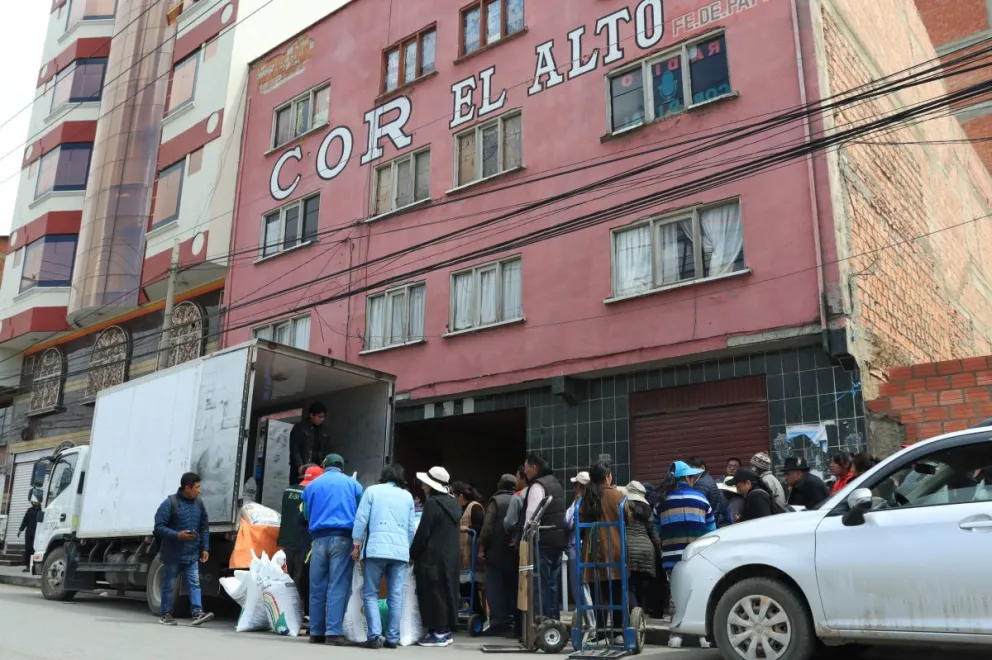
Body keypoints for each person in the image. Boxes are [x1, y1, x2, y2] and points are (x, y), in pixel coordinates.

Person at [352, 464, 416, 649]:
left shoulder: (372, 491)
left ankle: (374, 636)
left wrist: (356, 544)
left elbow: (361, 519)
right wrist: (406, 547)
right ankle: (392, 638)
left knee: (371, 593)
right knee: (395, 595)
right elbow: (411, 529)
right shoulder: (407, 496)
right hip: (400, 554)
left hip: (375, 551)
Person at [302, 454, 363, 646]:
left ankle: (316, 632)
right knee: (337, 585)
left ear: (324, 466)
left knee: (317, 586)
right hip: (343, 538)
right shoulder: (353, 485)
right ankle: (333, 632)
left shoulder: (312, 485)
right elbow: (361, 514)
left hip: (318, 540)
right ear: (342, 468)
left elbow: (305, 513)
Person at [655, 461, 715, 648]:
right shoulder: (702, 499)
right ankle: (703, 637)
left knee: (676, 595)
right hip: (698, 556)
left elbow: (657, 530)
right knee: (699, 593)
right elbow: (712, 529)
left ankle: (676, 636)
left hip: (672, 557)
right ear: (687, 478)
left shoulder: (661, 502)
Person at [152, 472, 213, 626]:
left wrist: (205, 548)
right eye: (197, 487)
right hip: (173, 554)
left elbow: (204, 527)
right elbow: (158, 527)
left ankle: (197, 613)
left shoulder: (199, 504)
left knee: (195, 583)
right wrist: (177, 535)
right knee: (169, 584)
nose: (199, 490)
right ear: (187, 488)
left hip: (192, 554)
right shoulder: (170, 503)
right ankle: (165, 614)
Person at [411, 466, 461, 648]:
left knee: (433, 593)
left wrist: (413, 554)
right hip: (450, 556)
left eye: (425, 483)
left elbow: (424, 532)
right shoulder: (453, 503)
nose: (423, 486)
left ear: (431, 485)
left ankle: (438, 633)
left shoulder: (433, 504)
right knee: (446, 591)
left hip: (432, 556)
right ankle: (444, 630)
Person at [578, 461, 626, 639]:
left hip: (591, 551)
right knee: (617, 592)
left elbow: (579, 523)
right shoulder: (616, 495)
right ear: (607, 476)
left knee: (598, 594)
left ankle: (600, 632)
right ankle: (617, 631)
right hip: (613, 548)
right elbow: (627, 515)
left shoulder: (586, 495)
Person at [520, 452, 569, 621]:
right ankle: (553, 620)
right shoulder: (557, 484)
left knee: (541, 584)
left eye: (527, 469)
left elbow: (531, 518)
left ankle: (542, 620)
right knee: (553, 584)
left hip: (543, 541)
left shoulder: (538, 486)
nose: (525, 473)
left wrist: (524, 537)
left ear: (535, 467)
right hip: (558, 540)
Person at [277, 465, 322, 617]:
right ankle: (302, 612)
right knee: (302, 578)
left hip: (287, 540)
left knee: (291, 576)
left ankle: (291, 610)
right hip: (304, 542)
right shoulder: (312, 493)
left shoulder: (288, 490)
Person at [479, 474, 519, 637]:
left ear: (500, 485)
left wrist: (482, 548)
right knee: (511, 588)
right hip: (514, 551)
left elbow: (487, 528)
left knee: (495, 588)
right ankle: (511, 620)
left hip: (496, 553)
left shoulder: (496, 501)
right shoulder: (520, 498)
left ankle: (497, 622)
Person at [623, 481, 660, 612]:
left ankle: (633, 614)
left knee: (628, 586)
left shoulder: (624, 507)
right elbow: (653, 533)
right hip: (647, 550)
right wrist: (659, 551)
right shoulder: (647, 510)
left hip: (629, 550)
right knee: (642, 588)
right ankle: (640, 617)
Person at [452, 481, 486, 617]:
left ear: (460, 496)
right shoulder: (463, 508)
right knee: (464, 586)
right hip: (463, 556)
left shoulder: (475, 507)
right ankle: (477, 613)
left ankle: (479, 614)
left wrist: (468, 529)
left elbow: (480, 527)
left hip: (471, 554)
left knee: (467, 586)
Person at [564, 471, 589, 617]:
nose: (573, 488)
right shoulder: (579, 501)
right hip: (576, 546)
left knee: (580, 587)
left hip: (577, 547)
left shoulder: (580, 502)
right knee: (581, 587)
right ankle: (588, 620)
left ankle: (589, 622)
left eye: (575, 485)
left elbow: (570, 522)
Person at [290, 402, 329, 484]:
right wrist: (299, 466)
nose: (322, 419)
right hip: (303, 467)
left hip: (317, 468)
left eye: (323, 417)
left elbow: (325, 450)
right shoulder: (300, 427)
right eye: (320, 417)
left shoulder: (323, 429)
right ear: (311, 415)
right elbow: (294, 449)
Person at [687, 457, 729, 527]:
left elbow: (698, 507)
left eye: (692, 468)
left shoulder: (701, 484)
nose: (689, 472)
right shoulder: (706, 479)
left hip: (707, 524)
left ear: (702, 468)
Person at [18, 499, 41, 573]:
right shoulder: (29, 510)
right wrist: (20, 530)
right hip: (29, 533)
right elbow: (25, 521)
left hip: (37, 533)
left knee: (34, 550)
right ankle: (28, 566)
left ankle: (34, 566)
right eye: (34, 501)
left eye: (37, 501)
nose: (35, 502)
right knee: (28, 549)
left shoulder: (42, 511)